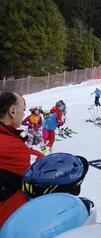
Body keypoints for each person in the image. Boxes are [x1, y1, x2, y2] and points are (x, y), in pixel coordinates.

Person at [0, 91, 44, 228]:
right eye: (22, 110)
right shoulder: (6, 143)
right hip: (9, 223)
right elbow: (42, 167)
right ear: (12, 111)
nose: (23, 114)